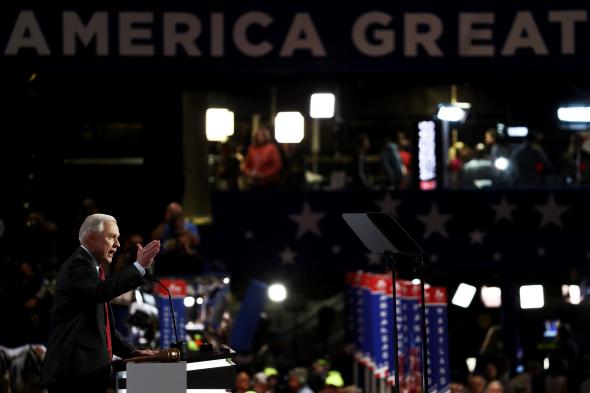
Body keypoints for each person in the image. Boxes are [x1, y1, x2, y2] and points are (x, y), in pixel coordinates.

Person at [40, 213, 161, 393]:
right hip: (72, 376)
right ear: (91, 238)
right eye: (112, 237)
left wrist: (133, 352)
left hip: (86, 374)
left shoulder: (92, 268)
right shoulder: (77, 265)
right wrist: (138, 267)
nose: (118, 244)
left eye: (118, 238)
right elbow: (102, 291)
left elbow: (105, 329)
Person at [151, 202, 202, 275]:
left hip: (185, 258)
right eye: (170, 211)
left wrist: (182, 228)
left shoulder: (189, 226)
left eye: (175, 212)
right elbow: (153, 238)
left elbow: (196, 242)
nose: (173, 215)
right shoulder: (164, 227)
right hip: (166, 259)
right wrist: (165, 221)